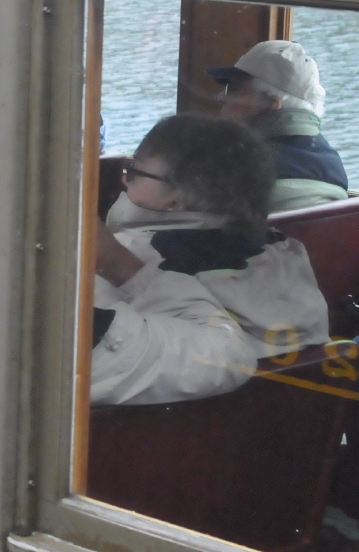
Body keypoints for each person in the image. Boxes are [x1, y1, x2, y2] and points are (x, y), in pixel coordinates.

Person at [90, 114, 327, 405]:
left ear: (176, 200)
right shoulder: (289, 258)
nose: (124, 181)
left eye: (134, 171)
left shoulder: (123, 262)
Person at [208, 40, 348, 214]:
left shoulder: (235, 170)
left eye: (235, 88)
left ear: (272, 103)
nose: (221, 97)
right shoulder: (333, 166)